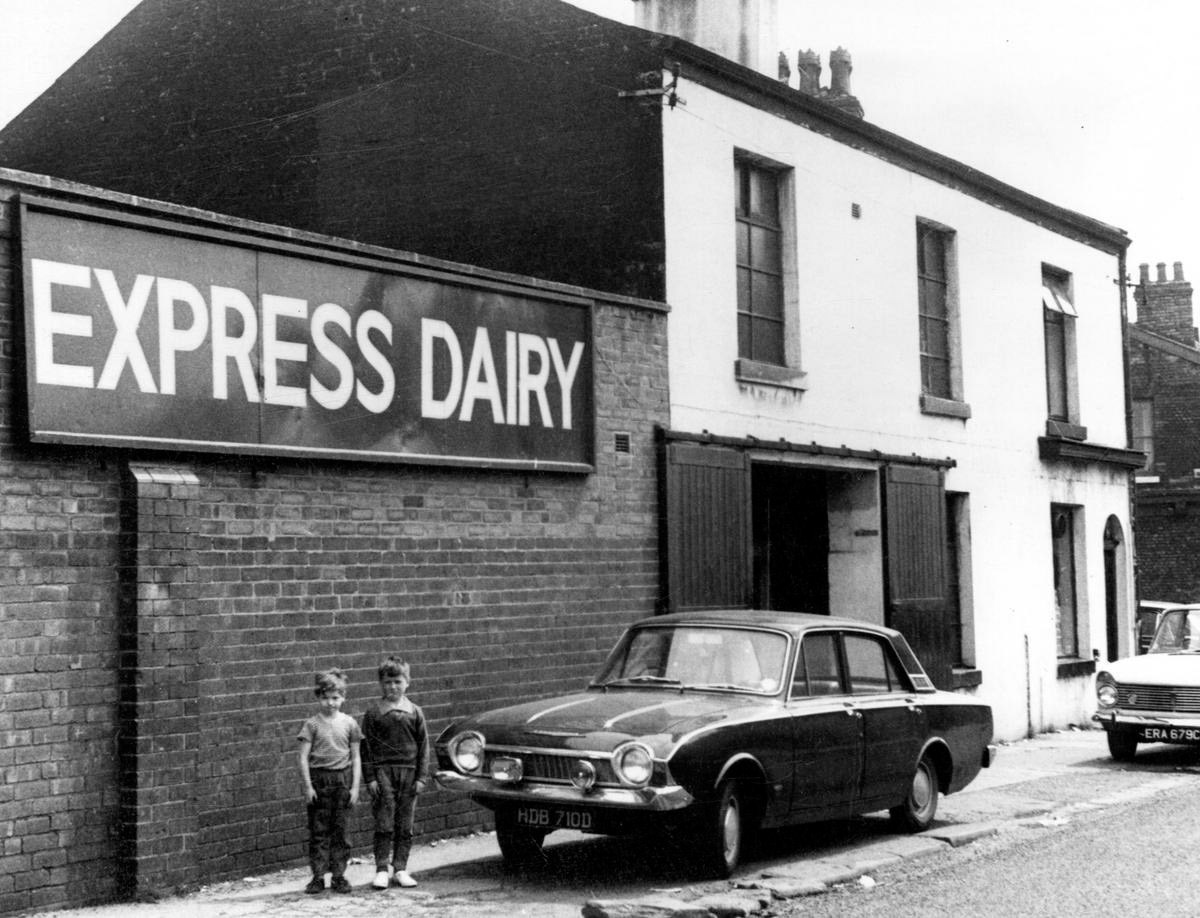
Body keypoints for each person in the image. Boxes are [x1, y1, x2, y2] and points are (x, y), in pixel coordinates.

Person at [361, 656, 431, 890]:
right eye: (388, 682)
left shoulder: (415, 712)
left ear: (407, 682)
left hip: (409, 774)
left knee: (404, 824)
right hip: (383, 773)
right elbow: (366, 748)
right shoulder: (373, 714)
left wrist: (422, 777)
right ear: (381, 684)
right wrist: (370, 777)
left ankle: (400, 868)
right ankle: (381, 869)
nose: (393, 687)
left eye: (398, 681)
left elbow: (424, 747)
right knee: (384, 822)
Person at [296, 668, 362, 894]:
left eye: (335, 698)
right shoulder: (312, 725)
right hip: (319, 780)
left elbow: (356, 756)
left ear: (343, 697)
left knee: (341, 831)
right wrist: (308, 786)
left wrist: (354, 787)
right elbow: (303, 757)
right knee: (319, 830)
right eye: (325, 697)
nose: (330, 703)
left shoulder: (350, 723)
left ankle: (339, 876)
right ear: (318, 697)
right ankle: (317, 876)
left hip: (342, 780)